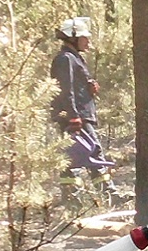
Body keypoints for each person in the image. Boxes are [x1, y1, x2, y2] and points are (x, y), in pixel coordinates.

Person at [50, 17, 119, 204]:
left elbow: (76, 86)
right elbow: (66, 89)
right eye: (84, 37)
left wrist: (89, 86)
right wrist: (73, 117)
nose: (87, 41)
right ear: (73, 38)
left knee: (78, 155)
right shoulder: (65, 59)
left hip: (79, 115)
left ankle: (83, 198)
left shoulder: (73, 58)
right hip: (75, 117)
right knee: (86, 152)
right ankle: (105, 194)